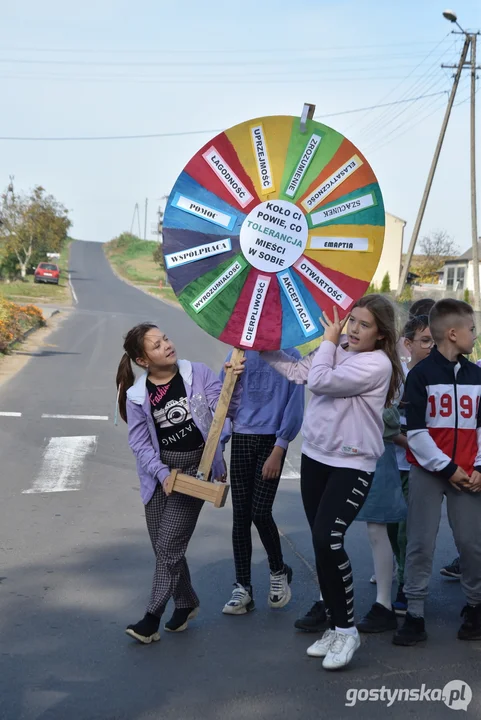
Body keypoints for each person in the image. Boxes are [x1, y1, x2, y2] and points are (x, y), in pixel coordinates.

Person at [262, 294, 403, 670]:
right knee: (321, 544)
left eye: (364, 325)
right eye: (352, 320)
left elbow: (321, 381)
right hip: (316, 457)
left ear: (381, 335)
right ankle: (336, 628)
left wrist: (327, 342)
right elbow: (298, 373)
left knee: (329, 538)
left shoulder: (377, 364)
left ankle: (347, 631)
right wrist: (259, 346)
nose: (353, 329)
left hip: (352, 464)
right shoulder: (337, 346)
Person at [116, 323, 245, 644]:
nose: (167, 346)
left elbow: (226, 412)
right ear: (142, 360)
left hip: (195, 470)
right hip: (158, 474)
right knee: (164, 547)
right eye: (156, 346)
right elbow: (140, 443)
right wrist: (161, 474)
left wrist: (233, 382)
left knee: (170, 545)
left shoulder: (197, 373)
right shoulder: (136, 395)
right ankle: (186, 602)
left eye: (166, 339)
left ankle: (151, 617)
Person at [393, 299, 481, 646]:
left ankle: (475, 607)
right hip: (430, 473)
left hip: (469, 475)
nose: (475, 335)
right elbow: (415, 433)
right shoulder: (420, 376)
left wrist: (477, 468)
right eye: (472, 329)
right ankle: (414, 614)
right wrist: (447, 468)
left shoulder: (477, 376)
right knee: (420, 543)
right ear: (453, 333)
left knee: (472, 545)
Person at [220, 350, 305, 615]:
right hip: (242, 436)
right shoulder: (238, 352)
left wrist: (280, 447)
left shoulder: (291, 354)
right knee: (241, 517)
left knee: (260, 511)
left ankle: (278, 570)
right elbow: (223, 401)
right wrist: (219, 445)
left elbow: (295, 404)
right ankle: (243, 586)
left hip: (271, 440)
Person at [389, 315, 434, 616]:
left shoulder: (440, 376)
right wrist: (402, 439)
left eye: (435, 340)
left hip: (419, 464)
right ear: (407, 344)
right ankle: (398, 568)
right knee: (392, 526)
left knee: (411, 529)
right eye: (425, 341)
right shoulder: (397, 376)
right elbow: (384, 418)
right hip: (392, 461)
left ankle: (407, 584)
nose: (431, 347)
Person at [355, 404, 406, 634]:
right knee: (328, 528)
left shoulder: (384, 369)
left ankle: (384, 603)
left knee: (379, 528)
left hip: (376, 452)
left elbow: (389, 418)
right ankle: (325, 600)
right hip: (340, 450)